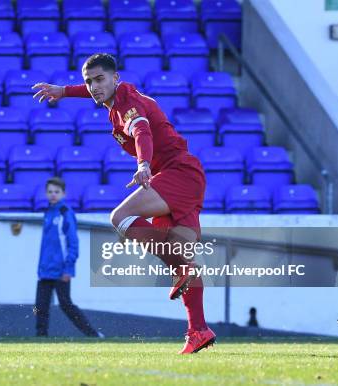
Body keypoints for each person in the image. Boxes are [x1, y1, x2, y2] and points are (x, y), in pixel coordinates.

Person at [32, 53, 215, 354]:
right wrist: (63, 91)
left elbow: (141, 130)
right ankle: (198, 330)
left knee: (121, 217)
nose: (92, 86)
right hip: (182, 176)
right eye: (88, 81)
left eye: (100, 79)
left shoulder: (128, 104)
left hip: (177, 174)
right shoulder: (116, 100)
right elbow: (94, 93)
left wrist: (143, 164)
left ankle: (181, 271)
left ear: (116, 78)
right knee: (183, 257)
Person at [34, 177, 102, 338]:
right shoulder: (47, 213)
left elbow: (73, 243)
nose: (53, 195)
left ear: (63, 194)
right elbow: (47, 246)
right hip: (45, 270)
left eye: (56, 192)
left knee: (66, 305)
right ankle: (40, 337)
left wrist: (68, 268)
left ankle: (93, 334)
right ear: (46, 193)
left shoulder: (65, 213)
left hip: (61, 270)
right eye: (50, 192)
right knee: (39, 306)